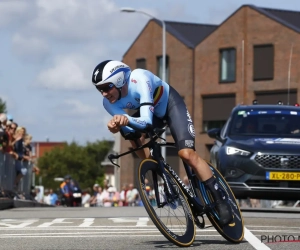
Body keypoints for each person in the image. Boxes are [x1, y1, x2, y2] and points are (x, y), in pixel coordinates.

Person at [91, 60, 232, 225]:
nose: (104, 94)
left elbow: (146, 123)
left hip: (170, 106)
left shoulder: (140, 79)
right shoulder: (107, 103)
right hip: (151, 113)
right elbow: (131, 128)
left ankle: (221, 199)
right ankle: (155, 167)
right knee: (130, 134)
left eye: (107, 87)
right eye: (99, 89)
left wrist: (125, 119)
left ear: (119, 80)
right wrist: (117, 126)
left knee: (186, 154)